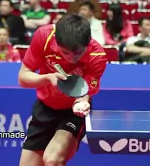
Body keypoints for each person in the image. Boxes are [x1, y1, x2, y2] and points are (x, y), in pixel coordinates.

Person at [18, 14, 107, 166]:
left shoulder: (97, 56)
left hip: (72, 113)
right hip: (45, 108)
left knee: (52, 159)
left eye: (78, 53)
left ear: (87, 43)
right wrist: (48, 78)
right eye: (65, 53)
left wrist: (81, 104)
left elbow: (84, 94)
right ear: (57, 43)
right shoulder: (44, 37)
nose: (71, 59)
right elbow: (23, 78)